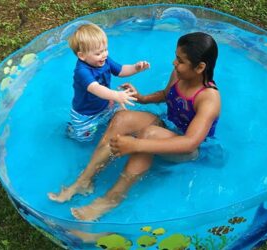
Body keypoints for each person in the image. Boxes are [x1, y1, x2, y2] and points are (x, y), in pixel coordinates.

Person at [48, 32, 221, 221]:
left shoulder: (208, 98)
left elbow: (189, 143)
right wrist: (142, 98)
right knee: (122, 117)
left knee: (150, 133)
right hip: (167, 128)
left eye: (180, 60)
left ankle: (109, 200)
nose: (174, 63)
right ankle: (84, 180)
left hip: (190, 149)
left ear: (200, 67)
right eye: (175, 57)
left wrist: (135, 145)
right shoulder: (179, 74)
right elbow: (166, 94)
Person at [67, 23, 150, 142]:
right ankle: (71, 131)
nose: (104, 54)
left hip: (105, 105)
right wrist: (116, 95)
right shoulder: (82, 71)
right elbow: (95, 88)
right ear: (82, 55)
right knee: (84, 140)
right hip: (85, 116)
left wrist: (135, 68)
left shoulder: (104, 60)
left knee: (124, 115)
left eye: (105, 49)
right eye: (98, 53)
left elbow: (121, 70)